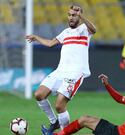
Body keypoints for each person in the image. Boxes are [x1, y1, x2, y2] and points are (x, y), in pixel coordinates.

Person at [25, 4, 96, 133]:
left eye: (74, 15)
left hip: (75, 73)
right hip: (60, 71)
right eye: (69, 15)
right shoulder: (66, 32)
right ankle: (54, 122)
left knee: (59, 105)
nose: (71, 18)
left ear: (79, 16)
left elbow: (94, 29)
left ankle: (64, 132)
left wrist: (82, 16)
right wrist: (36, 38)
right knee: (39, 94)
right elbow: (51, 43)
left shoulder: (85, 29)